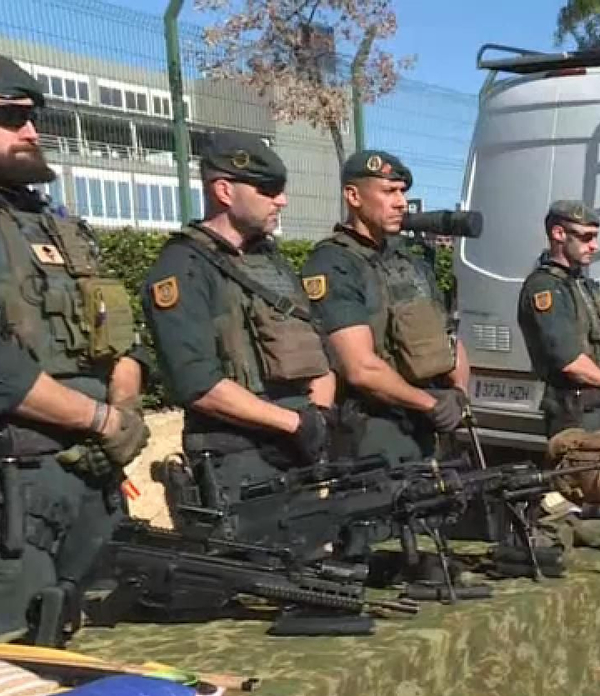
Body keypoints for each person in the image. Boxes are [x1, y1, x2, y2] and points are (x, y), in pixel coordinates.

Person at [0, 51, 150, 640]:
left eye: (30, 116)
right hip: (4, 504)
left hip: (91, 481)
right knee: (14, 674)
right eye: (5, 116)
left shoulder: (55, 223)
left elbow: (123, 340)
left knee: (114, 660)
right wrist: (102, 420)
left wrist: (123, 412)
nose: (29, 130)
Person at [141, 132, 337, 508]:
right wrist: (293, 425)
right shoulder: (183, 267)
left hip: (298, 453)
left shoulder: (273, 264)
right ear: (225, 192)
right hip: (237, 462)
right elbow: (198, 384)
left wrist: (318, 419)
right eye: (267, 189)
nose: (282, 200)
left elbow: (319, 352)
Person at [301, 150, 471, 465]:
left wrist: (458, 393)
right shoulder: (333, 264)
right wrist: (429, 404)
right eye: (388, 191)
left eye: (403, 192)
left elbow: (448, 333)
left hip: (425, 422)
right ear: (353, 196)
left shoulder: (409, 260)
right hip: (371, 433)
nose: (401, 203)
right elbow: (361, 368)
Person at [518, 200, 600, 438]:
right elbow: (568, 360)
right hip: (572, 411)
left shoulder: (585, 286)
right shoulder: (545, 287)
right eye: (586, 238)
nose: (595, 246)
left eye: (595, 237)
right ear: (558, 234)